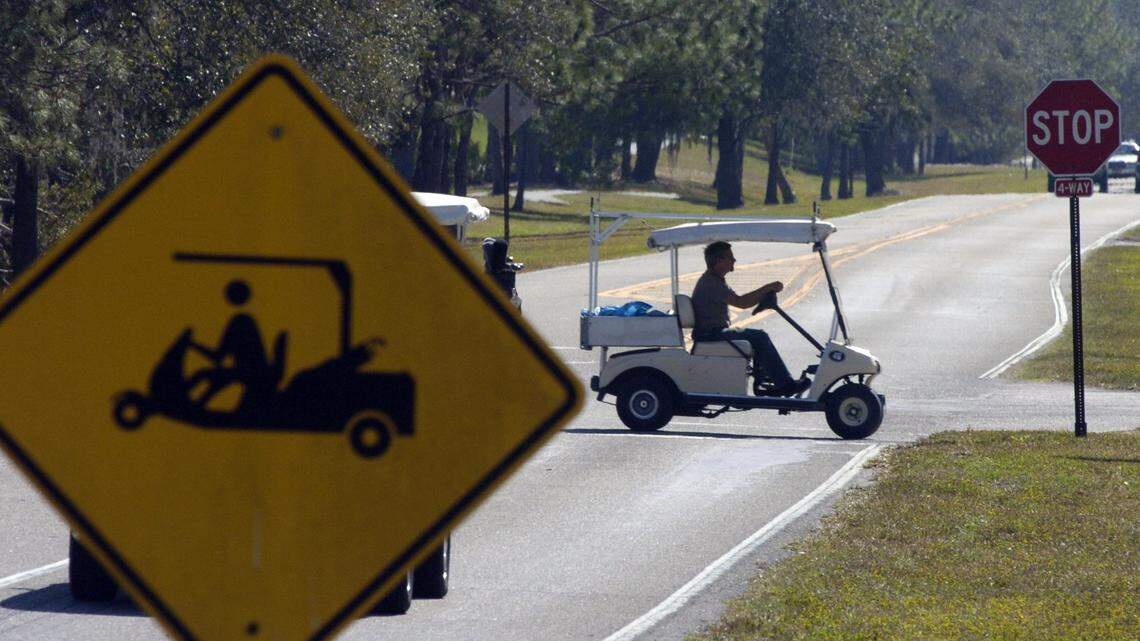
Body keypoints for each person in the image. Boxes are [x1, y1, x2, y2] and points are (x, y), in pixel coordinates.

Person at [691, 241, 810, 397]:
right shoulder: (711, 283)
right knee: (759, 336)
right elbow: (742, 303)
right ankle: (785, 385)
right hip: (711, 334)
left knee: (755, 337)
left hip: (713, 331)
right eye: (730, 257)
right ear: (719, 261)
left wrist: (765, 293)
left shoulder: (715, 280)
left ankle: (769, 381)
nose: (734, 260)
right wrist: (768, 287)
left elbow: (742, 301)